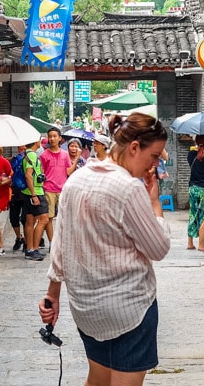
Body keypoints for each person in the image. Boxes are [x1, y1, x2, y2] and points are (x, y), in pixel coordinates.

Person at [39, 112, 171, 386]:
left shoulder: (75, 181)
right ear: (134, 148)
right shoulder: (128, 188)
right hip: (130, 307)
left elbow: (60, 245)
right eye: (154, 156)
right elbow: (158, 249)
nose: (155, 164)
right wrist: (155, 204)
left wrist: (52, 296)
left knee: (97, 380)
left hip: (87, 309)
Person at [22, 138, 49, 261]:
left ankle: (29, 249)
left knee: (29, 220)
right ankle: (34, 249)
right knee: (44, 219)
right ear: (36, 142)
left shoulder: (26, 154)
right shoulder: (32, 155)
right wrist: (34, 195)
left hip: (27, 192)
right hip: (35, 192)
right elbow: (28, 175)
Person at [186, 134, 204, 251]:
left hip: (192, 188)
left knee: (193, 213)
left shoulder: (190, 155)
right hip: (203, 189)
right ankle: (201, 245)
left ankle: (190, 242)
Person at [8, 144, 28, 252]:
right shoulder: (14, 160)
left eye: (25, 148)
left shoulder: (31, 160)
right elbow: (9, 173)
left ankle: (26, 241)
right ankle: (19, 237)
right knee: (13, 218)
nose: (22, 150)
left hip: (26, 192)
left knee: (25, 219)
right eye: (21, 148)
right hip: (15, 192)